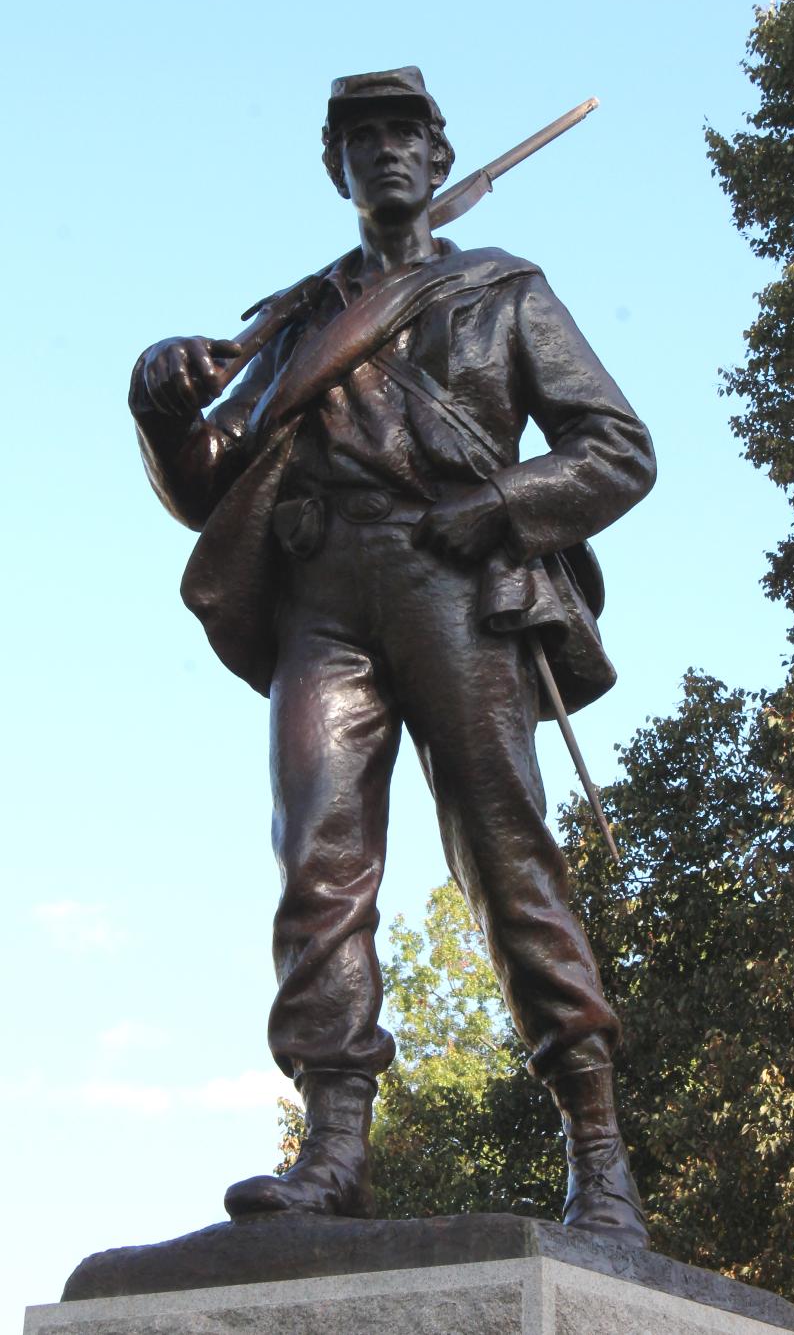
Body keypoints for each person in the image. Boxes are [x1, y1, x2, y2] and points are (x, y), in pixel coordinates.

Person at [129, 67, 656, 1249]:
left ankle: (601, 1160)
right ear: (337, 169)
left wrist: (506, 504)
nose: (386, 155)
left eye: (404, 135)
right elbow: (206, 481)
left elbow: (616, 448)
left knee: (506, 856)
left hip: (454, 583)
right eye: (361, 140)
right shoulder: (296, 318)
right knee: (317, 859)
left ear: (436, 153)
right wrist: (160, 410)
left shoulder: (500, 292)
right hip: (322, 595)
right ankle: (332, 1151)